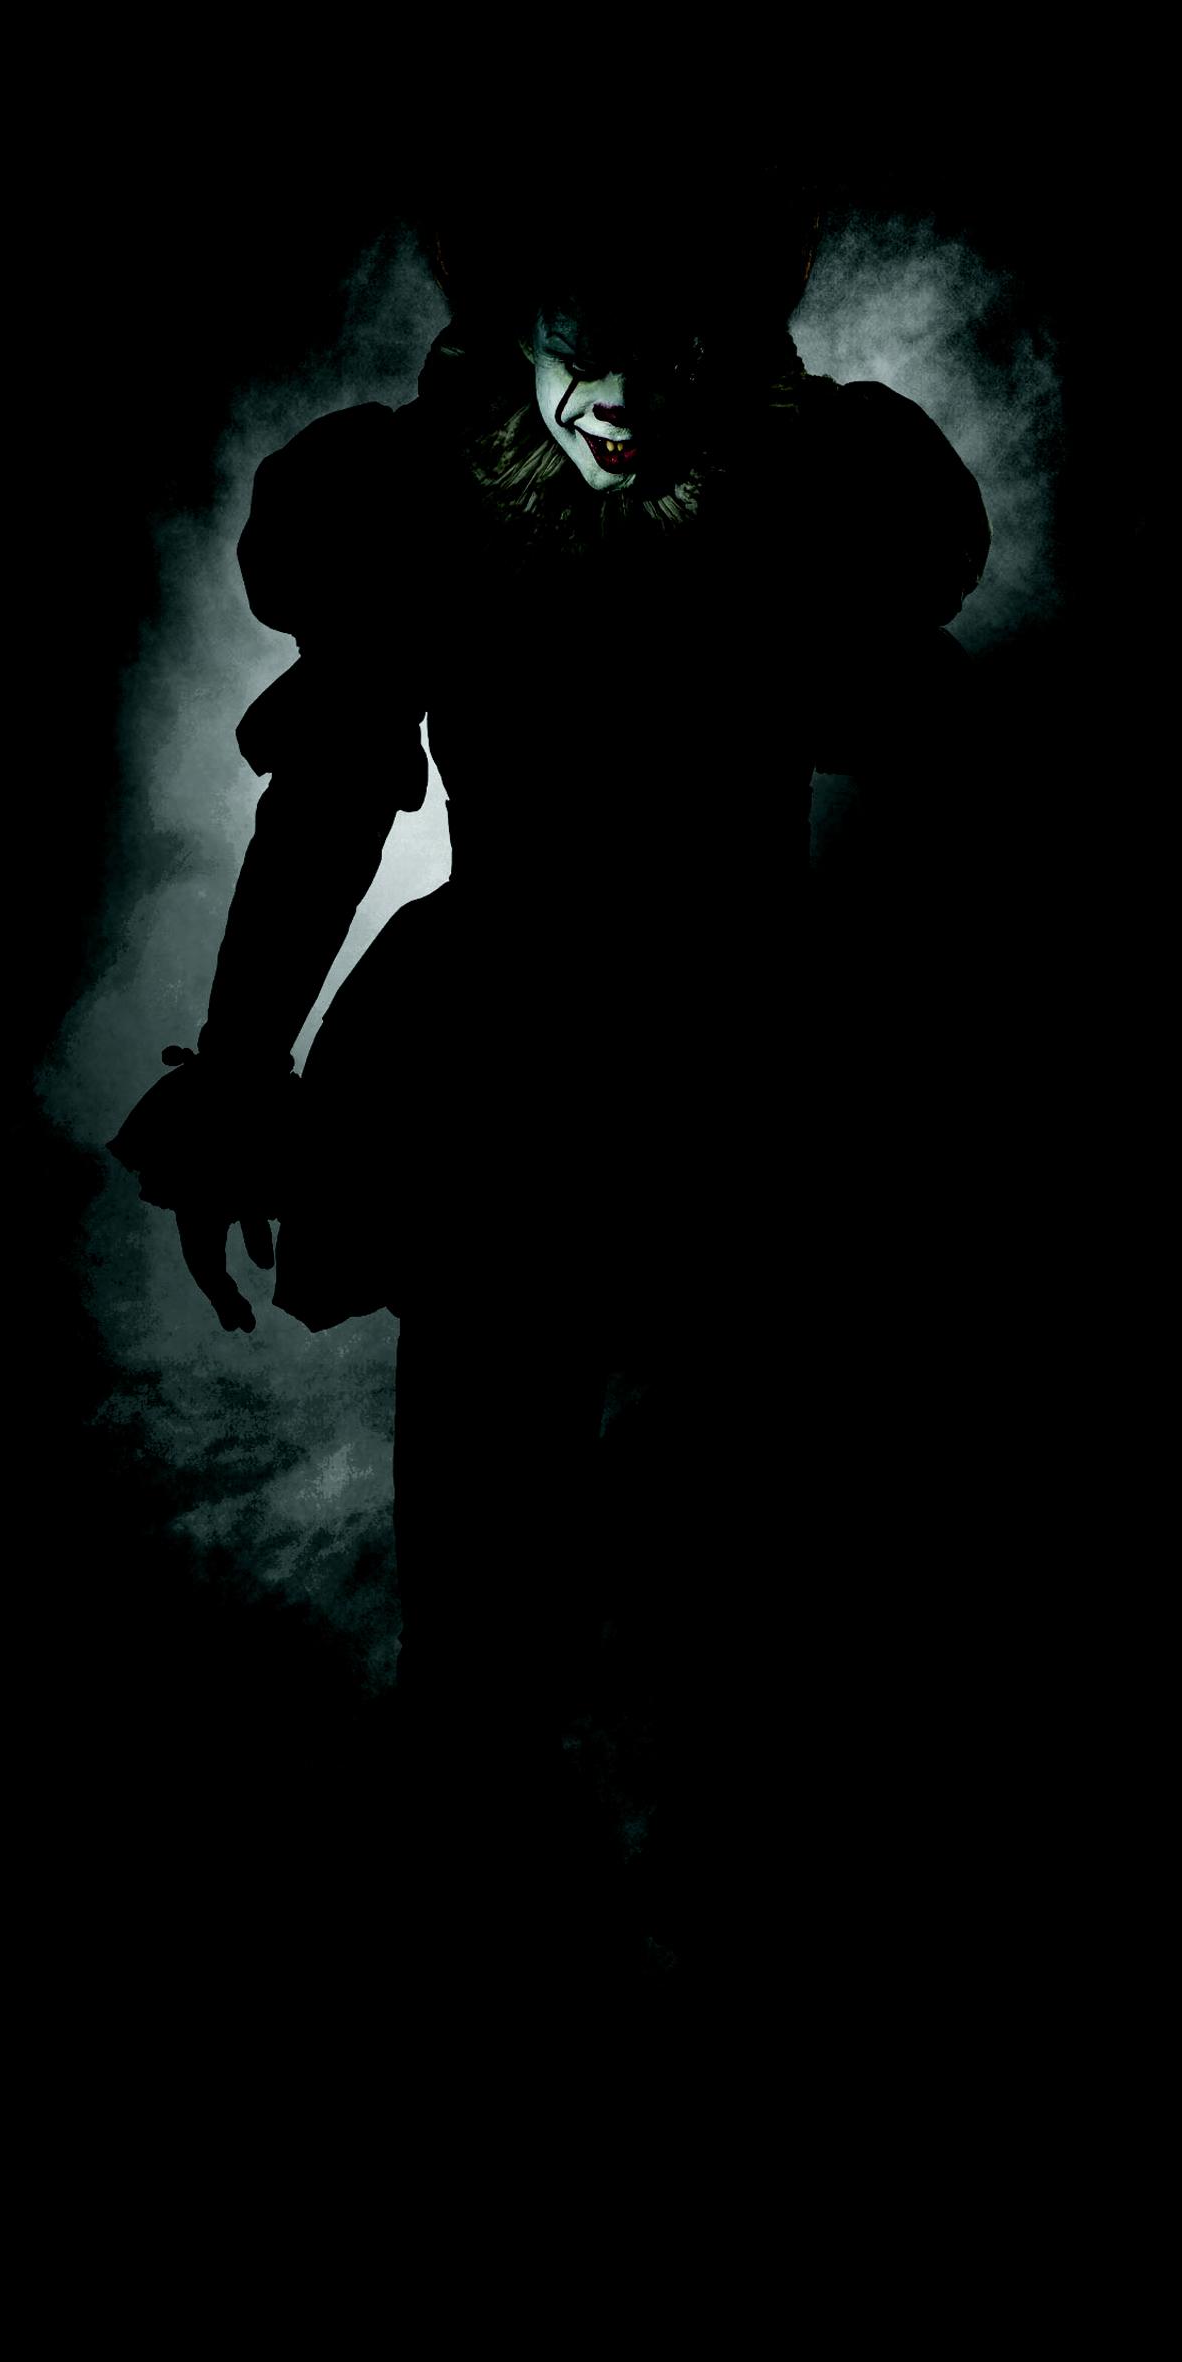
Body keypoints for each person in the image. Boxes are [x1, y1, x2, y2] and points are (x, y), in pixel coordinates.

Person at [110, 162, 990, 1977]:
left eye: (678, 343)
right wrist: (244, 1070)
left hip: (745, 1079)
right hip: (499, 1090)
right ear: (512, 322)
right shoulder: (420, 502)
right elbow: (332, 799)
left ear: (731, 335)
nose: (627, 392)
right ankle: (476, 1922)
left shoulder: (810, 490)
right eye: (586, 338)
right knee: (484, 1607)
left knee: (771, 1587)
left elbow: (958, 762)